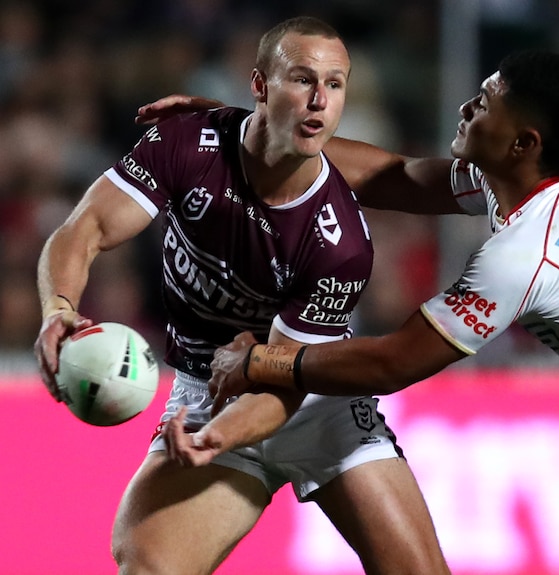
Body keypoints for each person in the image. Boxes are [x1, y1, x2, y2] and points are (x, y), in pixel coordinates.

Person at [150, 50, 559, 574]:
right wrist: (253, 131)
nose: (470, 103)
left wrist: (267, 360)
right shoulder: (541, 178)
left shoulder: (528, 253)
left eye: (489, 101)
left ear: (524, 143)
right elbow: (392, 177)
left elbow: (396, 360)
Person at [33, 17, 451, 575]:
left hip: (315, 401)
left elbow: (286, 385)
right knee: (146, 564)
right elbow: (83, 230)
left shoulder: (340, 243)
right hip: (204, 388)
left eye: (335, 84)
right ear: (260, 85)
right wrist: (58, 308)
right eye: (302, 79)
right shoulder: (186, 142)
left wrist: (216, 436)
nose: (319, 100)